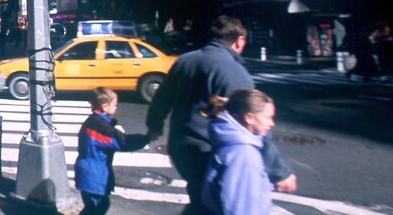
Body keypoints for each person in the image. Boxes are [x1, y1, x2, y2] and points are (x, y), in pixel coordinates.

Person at [146, 15, 296, 214]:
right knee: (212, 205)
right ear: (239, 40)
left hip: (180, 147)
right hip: (207, 152)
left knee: (200, 200)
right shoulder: (232, 71)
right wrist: (279, 172)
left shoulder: (186, 60)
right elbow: (253, 121)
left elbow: (162, 97)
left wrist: (154, 125)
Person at [74, 87, 150, 215]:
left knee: (96, 207)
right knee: (97, 208)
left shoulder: (93, 122)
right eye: (115, 104)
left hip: (89, 172)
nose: (116, 107)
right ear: (104, 106)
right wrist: (147, 138)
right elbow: (123, 142)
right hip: (94, 176)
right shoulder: (100, 127)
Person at [202, 89, 277, 215]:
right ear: (249, 118)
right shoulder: (244, 155)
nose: (272, 123)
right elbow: (242, 206)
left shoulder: (230, 143)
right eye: (267, 118)